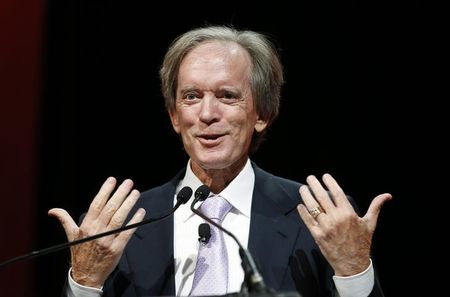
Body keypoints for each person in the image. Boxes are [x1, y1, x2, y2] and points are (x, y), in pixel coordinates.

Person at [49, 25, 392, 297]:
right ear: (174, 115)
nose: (207, 114)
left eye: (227, 96)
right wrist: (84, 283)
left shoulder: (319, 219)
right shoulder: (116, 227)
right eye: (191, 97)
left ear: (263, 114)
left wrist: (354, 271)